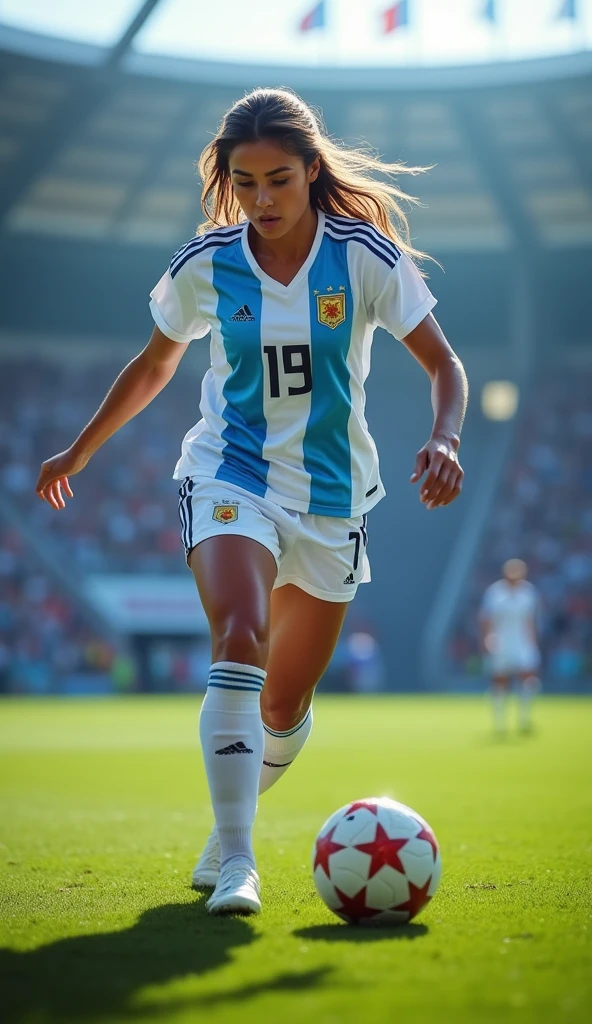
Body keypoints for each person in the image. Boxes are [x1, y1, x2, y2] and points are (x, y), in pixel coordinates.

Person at [35, 88, 467, 916]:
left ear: (310, 171)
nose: (261, 199)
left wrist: (445, 437)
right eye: (244, 182)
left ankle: (226, 820)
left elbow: (445, 365)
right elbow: (156, 364)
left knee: (284, 704)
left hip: (334, 500)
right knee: (240, 633)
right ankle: (239, 863)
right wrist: (80, 449)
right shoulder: (206, 263)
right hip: (228, 473)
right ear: (227, 181)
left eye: (277, 179)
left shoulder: (364, 256)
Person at [480, 559, 541, 735]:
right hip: (501, 641)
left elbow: (530, 620)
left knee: (529, 678)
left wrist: (533, 642)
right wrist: (488, 638)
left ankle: (524, 719)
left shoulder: (529, 592)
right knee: (500, 681)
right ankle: (499, 724)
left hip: (522, 641)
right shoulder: (495, 593)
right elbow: (486, 618)